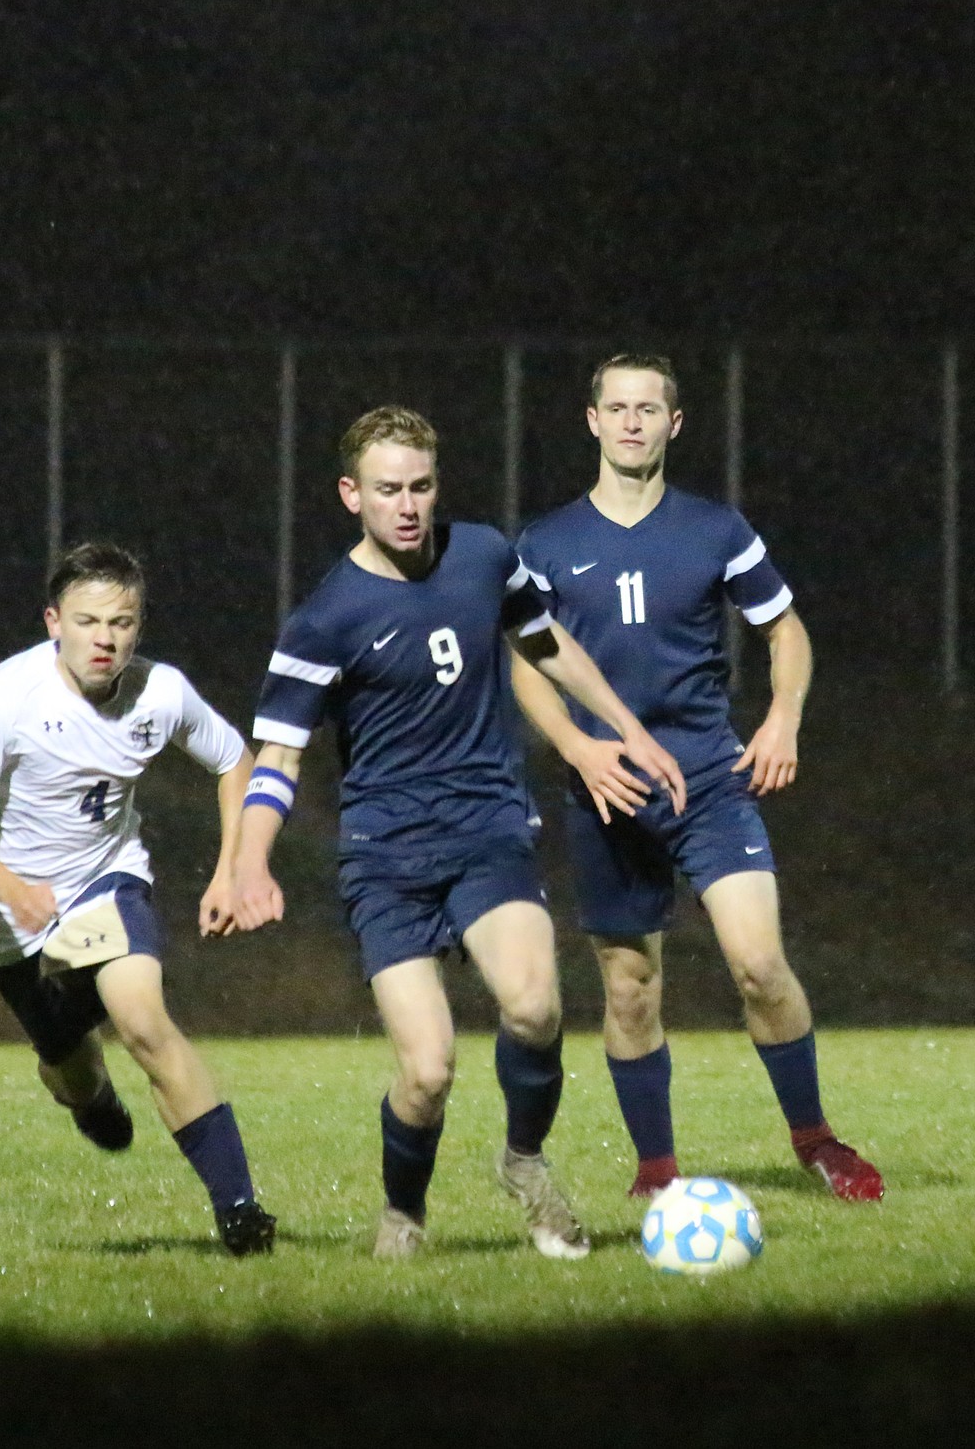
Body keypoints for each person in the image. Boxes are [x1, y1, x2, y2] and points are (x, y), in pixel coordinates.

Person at [230, 405, 685, 1259]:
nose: (408, 505)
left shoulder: (482, 555)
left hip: (486, 831)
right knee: (428, 1070)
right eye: (388, 490)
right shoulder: (324, 620)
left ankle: (523, 1161)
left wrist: (628, 725)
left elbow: (548, 645)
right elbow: (276, 759)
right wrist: (251, 861)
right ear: (350, 495)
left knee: (536, 1005)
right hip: (387, 859)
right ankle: (405, 1209)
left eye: (422, 486)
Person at [512, 354, 884, 1202]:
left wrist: (783, 715)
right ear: (592, 420)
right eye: (619, 407)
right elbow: (529, 659)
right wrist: (576, 747)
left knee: (758, 963)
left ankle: (817, 1138)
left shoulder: (716, 529)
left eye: (651, 408)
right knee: (631, 987)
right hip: (609, 788)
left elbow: (785, 630)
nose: (634, 420)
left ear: (675, 424)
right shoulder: (547, 542)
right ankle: (657, 1171)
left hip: (709, 779)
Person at [0, 541, 276, 1254]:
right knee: (70, 1066)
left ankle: (241, 1214)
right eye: (88, 621)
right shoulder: (4, 695)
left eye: (121, 622)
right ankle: (88, 1094)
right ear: (54, 620)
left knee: (144, 1020)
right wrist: (11, 888)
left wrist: (229, 866)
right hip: (12, 919)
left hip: (107, 881)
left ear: (138, 626)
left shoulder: (161, 692)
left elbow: (235, 759)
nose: (105, 638)